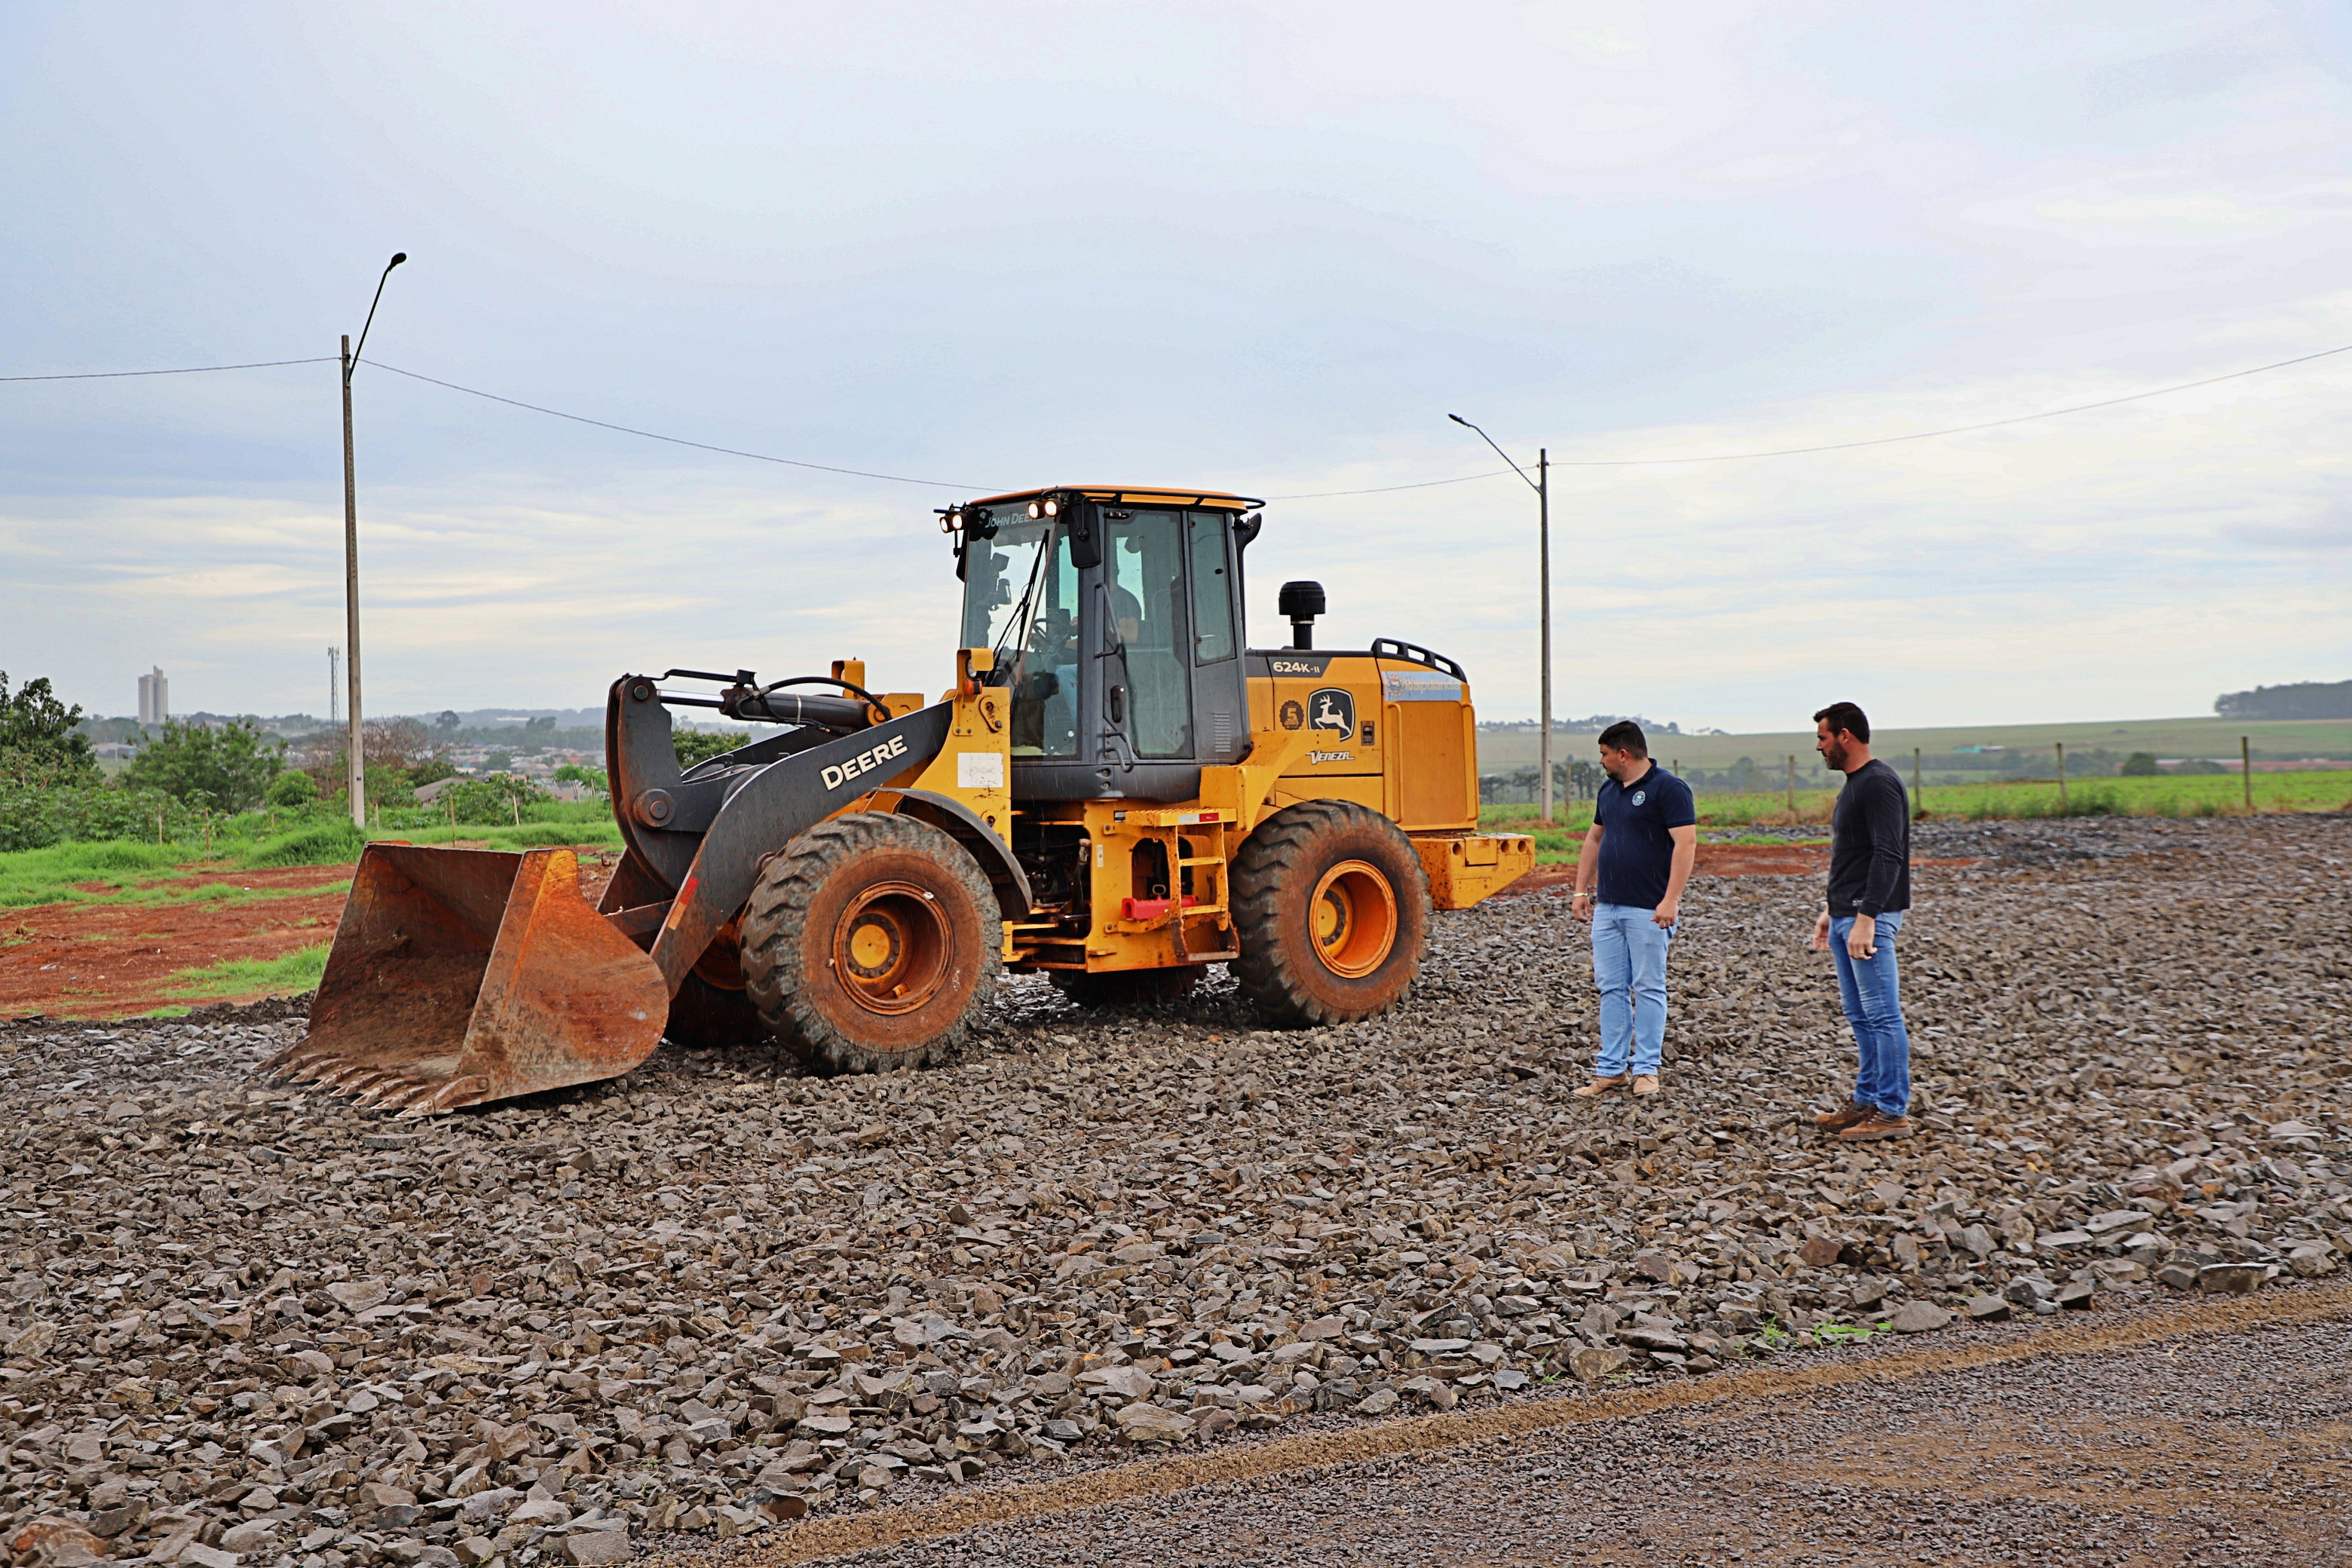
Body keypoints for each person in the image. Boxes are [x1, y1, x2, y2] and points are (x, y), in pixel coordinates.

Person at [1569, 721, 1697, 1098]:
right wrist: (1580, 890)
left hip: (1649, 909)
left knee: (1649, 987)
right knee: (1610, 988)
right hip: (1608, 907)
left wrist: (1671, 899)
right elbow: (1594, 838)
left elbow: (1686, 844)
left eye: (1604, 754)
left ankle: (1646, 1069)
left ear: (1623, 754)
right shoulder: (1608, 790)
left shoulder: (1669, 789)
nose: (1601, 761)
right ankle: (1611, 1070)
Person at [1806, 700, 1915, 1141]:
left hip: (1869, 917)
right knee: (1861, 1014)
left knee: (1883, 1014)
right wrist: (1831, 910)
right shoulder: (1856, 784)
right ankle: (1867, 1100)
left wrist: (1867, 916)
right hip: (1846, 914)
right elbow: (1853, 857)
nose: (1819, 747)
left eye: (1823, 738)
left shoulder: (1879, 783)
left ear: (1845, 737)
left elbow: (1889, 854)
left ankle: (1892, 1111)